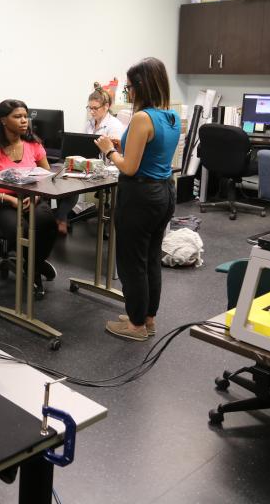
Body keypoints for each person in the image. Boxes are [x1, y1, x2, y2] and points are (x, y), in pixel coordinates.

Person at [94, 57, 179, 341]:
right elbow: (152, 152)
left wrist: (109, 149)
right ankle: (146, 318)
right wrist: (124, 146)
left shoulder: (143, 117)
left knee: (132, 262)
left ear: (140, 86)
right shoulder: (171, 116)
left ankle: (135, 326)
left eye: (129, 87)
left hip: (140, 195)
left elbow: (129, 167)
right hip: (164, 192)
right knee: (151, 258)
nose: (127, 93)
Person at [0, 99, 58, 295]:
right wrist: (8, 199)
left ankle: (33, 265)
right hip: (1, 202)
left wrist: (34, 198)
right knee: (22, 229)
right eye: (17, 116)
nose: (24, 120)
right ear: (3, 121)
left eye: (25, 116)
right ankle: (34, 270)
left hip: (31, 198)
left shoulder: (34, 145)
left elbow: (47, 177)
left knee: (48, 224)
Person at [54, 82, 127, 234]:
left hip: (108, 168)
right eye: (89, 108)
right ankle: (62, 217)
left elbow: (118, 154)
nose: (92, 112)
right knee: (64, 176)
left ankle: (61, 218)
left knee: (73, 182)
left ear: (106, 107)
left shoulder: (115, 126)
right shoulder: (89, 124)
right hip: (89, 165)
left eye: (95, 108)